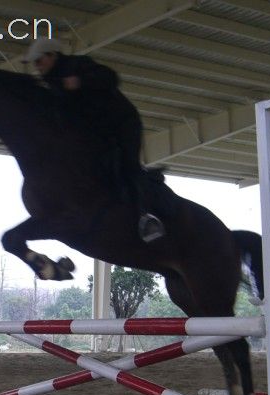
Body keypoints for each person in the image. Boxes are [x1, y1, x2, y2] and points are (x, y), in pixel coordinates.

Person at [22, 38, 165, 243]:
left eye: (39, 61)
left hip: (122, 124)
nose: (37, 66)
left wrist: (80, 82)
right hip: (95, 131)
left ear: (52, 55)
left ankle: (148, 218)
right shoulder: (50, 82)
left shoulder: (78, 64)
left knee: (128, 166)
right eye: (34, 63)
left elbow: (111, 78)